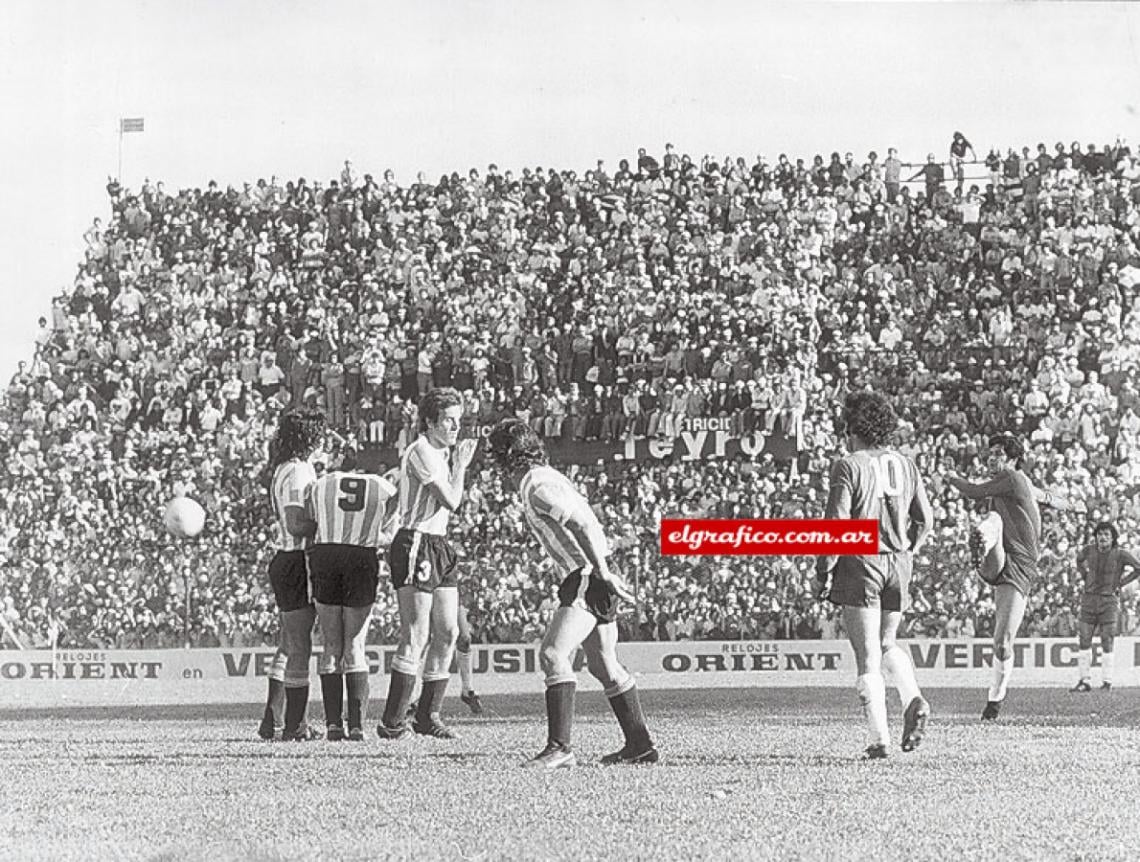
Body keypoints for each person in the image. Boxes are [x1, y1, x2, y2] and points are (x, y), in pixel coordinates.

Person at [487, 418, 657, 769]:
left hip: (585, 574)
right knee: (603, 664)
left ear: (508, 457)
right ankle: (640, 745)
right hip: (593, 571)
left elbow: (579, 524)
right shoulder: (547, 477)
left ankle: (560, 747)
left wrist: (602, 571)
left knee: (552, 654)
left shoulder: (537, 486)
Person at [813, 391, 933, 760]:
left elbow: (837, 525)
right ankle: (913, 697)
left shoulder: (849, 464)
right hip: (898, 563)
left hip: (861, 562)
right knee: (887, 643)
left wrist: (823, 571)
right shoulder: (906, 464)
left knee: (867, 659)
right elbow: (925, 520)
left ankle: (879, 739)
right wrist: (907, 551)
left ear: (854, 428)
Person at [946, 434, 1072, 721]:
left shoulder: (1013, 478)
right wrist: (1066, 503)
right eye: (990, 452)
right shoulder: (1016, 483)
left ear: (1014, 458)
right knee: (994, 521)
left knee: (1002, 642)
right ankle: (983, 540)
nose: (992, 457)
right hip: (1001, 554)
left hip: (1020, 566)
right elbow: (1045, 496)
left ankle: (995, 698)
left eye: (999, 452)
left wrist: (952, 477)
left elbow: (973, 491)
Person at [376, 387, 477, 740]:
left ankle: (426, 714)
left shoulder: (440, 451)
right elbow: (451, 500)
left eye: (458, 421)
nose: (455, 427)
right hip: (416, 541)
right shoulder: (420, 451)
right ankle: (391, 720)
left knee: (448, 631)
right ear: (430, 422)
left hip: (439, 544)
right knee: (416, 633)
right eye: (448, 421)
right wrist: (461, 467)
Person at [306, 458, 398, 740]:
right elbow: (390, 533)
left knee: (331, 644)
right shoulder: (383, 485)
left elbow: (311, 520)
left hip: (325, 555)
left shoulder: (321, 484)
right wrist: (368, 535)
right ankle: (357, 725)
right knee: (355, 644)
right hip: (360, 556)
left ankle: (334, 725)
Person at [258, 409, 325, 742]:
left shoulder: (286, 467)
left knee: (288, 645)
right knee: (300, 646)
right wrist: (331, 520)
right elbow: (296, 523)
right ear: (311, 437)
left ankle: (274, 719)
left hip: (285, 558)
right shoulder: (299, 470)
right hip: (297, 559)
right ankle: (295, 725)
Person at [1071, 521, 1140, 692]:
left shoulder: (1121, 554)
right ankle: (1084, 681)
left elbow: (1138, 568)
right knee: (1084, 638)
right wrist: (1085, 575)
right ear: (1095, 537)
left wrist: (1121, 583)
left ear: (1112, 538)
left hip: (1109, 601)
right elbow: (1079, 560)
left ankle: (1107, 681)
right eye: (1099, 534)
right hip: (1088, 599)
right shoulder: (1088, 550)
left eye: (1106, 534)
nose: (1102, 537)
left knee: (1107, 639)